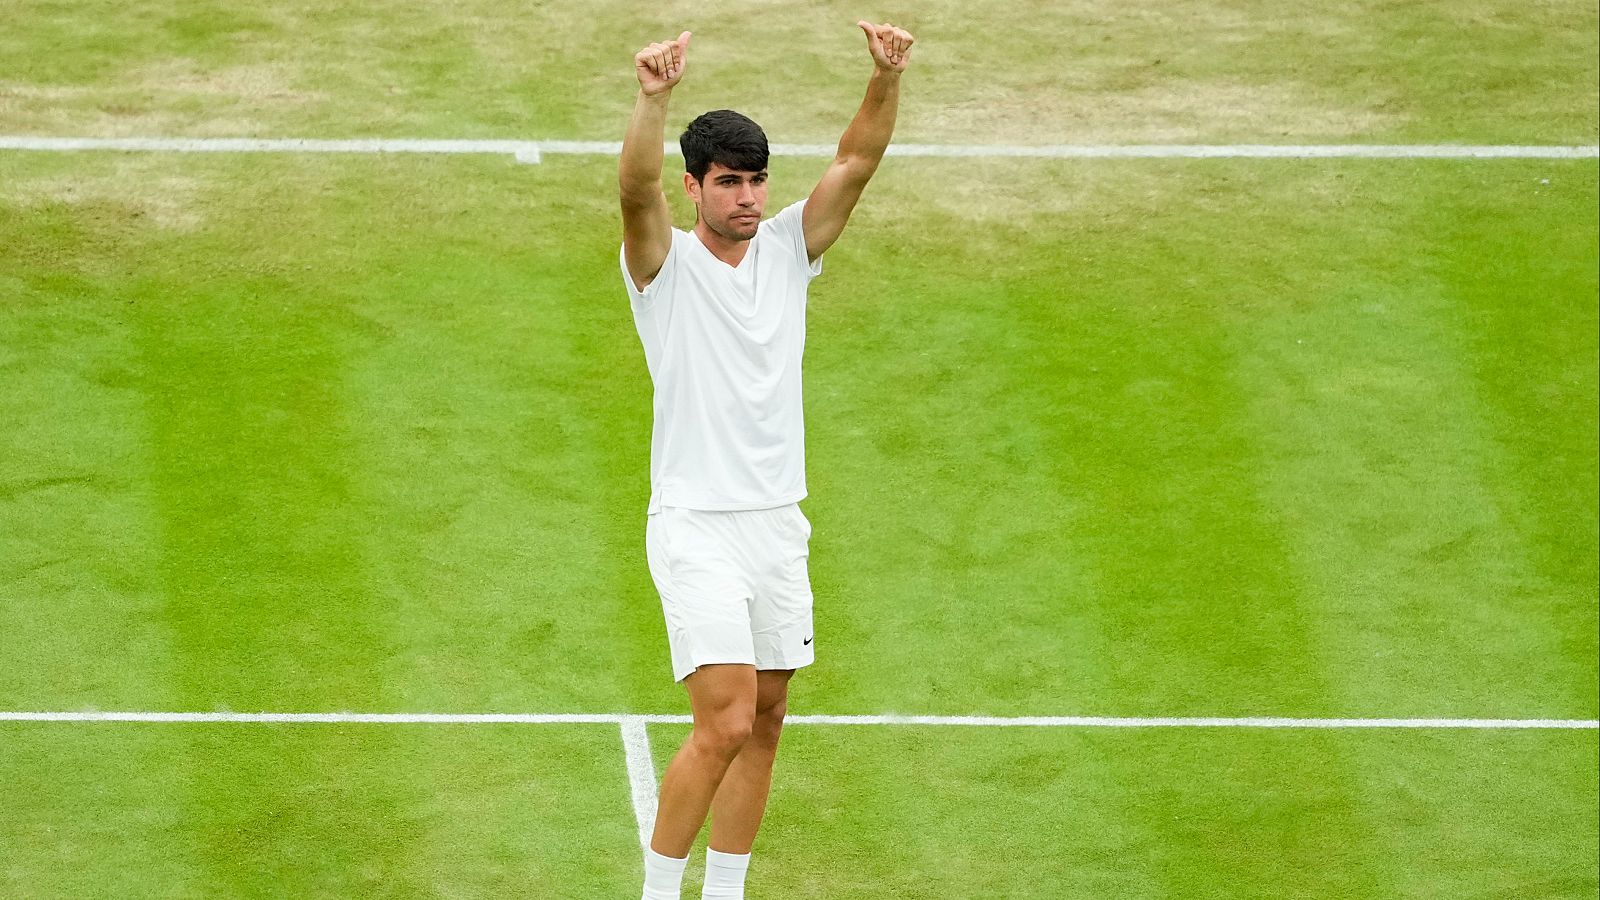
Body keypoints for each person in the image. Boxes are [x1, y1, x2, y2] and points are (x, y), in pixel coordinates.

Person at [619, 20, 915, 900]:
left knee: (769, 719)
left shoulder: (788, 248)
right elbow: (633, 189)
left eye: (756, 181)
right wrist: (652, 97)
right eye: (728, 182)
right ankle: (658, 892)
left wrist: (885, 75)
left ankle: (727, 891)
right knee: (724, 719)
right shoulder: (662, 266)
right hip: (696, 526)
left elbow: (856, 162)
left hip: (777, 522)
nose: (747, 197)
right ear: (695, 187)